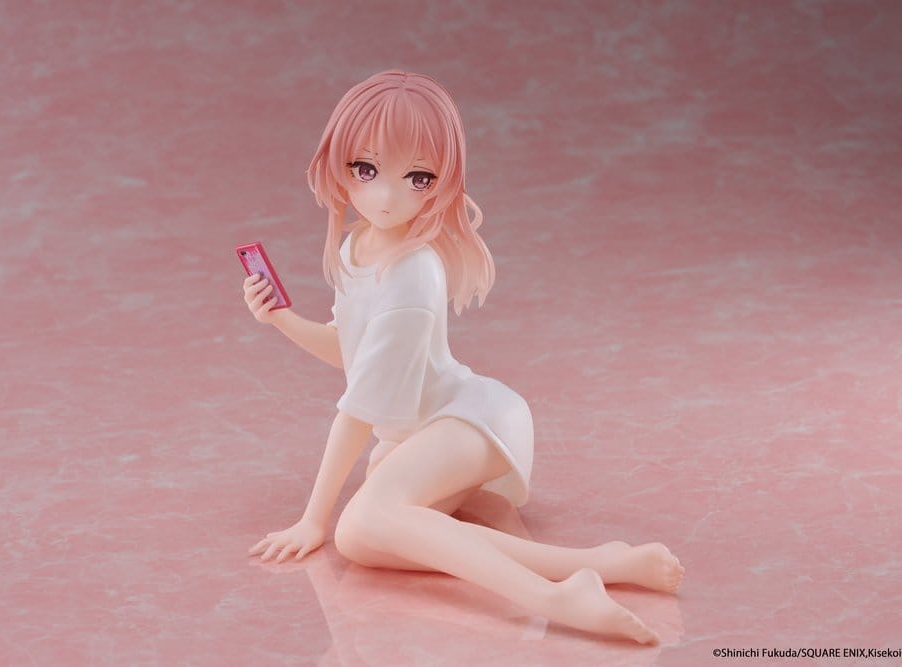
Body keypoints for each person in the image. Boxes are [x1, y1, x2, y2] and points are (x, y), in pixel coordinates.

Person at [244, 70, 684, 643]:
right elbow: (353, 354)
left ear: (443, 182)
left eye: (417, 178)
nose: (385, 197)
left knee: (363, 523)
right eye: (366, 170)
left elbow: (358, 407)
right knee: (369, 538)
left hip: (471, 421)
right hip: (423, 428)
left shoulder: (412, 273)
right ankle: (605, 563)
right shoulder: (358, 247)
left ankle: (555, 596)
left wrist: (312, 519)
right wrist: (280, 318)